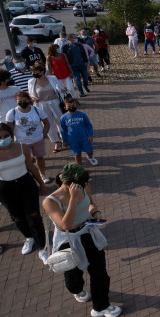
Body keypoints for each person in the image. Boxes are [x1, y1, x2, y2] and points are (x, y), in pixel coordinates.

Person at [42, 163, 122, 317]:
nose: (84, 187)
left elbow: (91, 204)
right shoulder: (50, 201)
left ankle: (101, 306)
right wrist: (73, 200)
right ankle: (77, 290)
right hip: (68, 240)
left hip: (88, 233)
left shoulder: (85, 187)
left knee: (100, 273)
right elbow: (65, 224)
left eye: (84, 184)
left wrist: (95, 212)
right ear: (67, 183)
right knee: (74, 277)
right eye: (80, 184)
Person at [0, 122, 48, 263]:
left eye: (6, 136)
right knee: (17, 217)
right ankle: (29, 237)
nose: (3, 139)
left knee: (34, 216)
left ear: (12, 135)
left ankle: (42, 248)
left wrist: (41, 183)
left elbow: (31, 166)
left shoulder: (22, 147)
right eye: (0, 137)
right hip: (5, 188)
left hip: (25, 184)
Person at [6, 90, 51, 184]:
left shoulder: (37, 110)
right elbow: (10, 130)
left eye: (25, 100)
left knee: (39, 158)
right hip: (22, 143)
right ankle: (31, 178)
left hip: (38, 140)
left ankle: (42, 174)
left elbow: (46, 123)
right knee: (27, 162)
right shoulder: (12, 113)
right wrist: (12, 143)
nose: (22, 102)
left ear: (29, 100)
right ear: (16, 101)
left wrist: (43, 135)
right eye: (19, 101)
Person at [28, 61, 64, 153]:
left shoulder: (52, 78)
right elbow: (31, 94)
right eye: (32, 72)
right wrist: (33, 98)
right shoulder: (31, 82)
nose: (34, 74)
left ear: (42, 72)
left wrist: (61, 90)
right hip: (41, 105)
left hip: (55, 102)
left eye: (36, 72)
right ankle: (56, 142)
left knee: (60, 121)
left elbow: (60, 89)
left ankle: (64, 138)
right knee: (48, 124)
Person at [60, 96, 98, 167]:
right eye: (69, 106)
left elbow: (89, 125)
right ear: (65, 107)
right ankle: (80, 168)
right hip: (72, 140)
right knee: (77, 154)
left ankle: (90, 157)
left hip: (84, 138)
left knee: (89, 151)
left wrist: (90, 135)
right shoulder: (63, 118)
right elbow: (63, 130)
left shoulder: (82, 114)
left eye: (73, 105)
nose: (71, 107)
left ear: (76, 105)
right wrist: (64, 140)